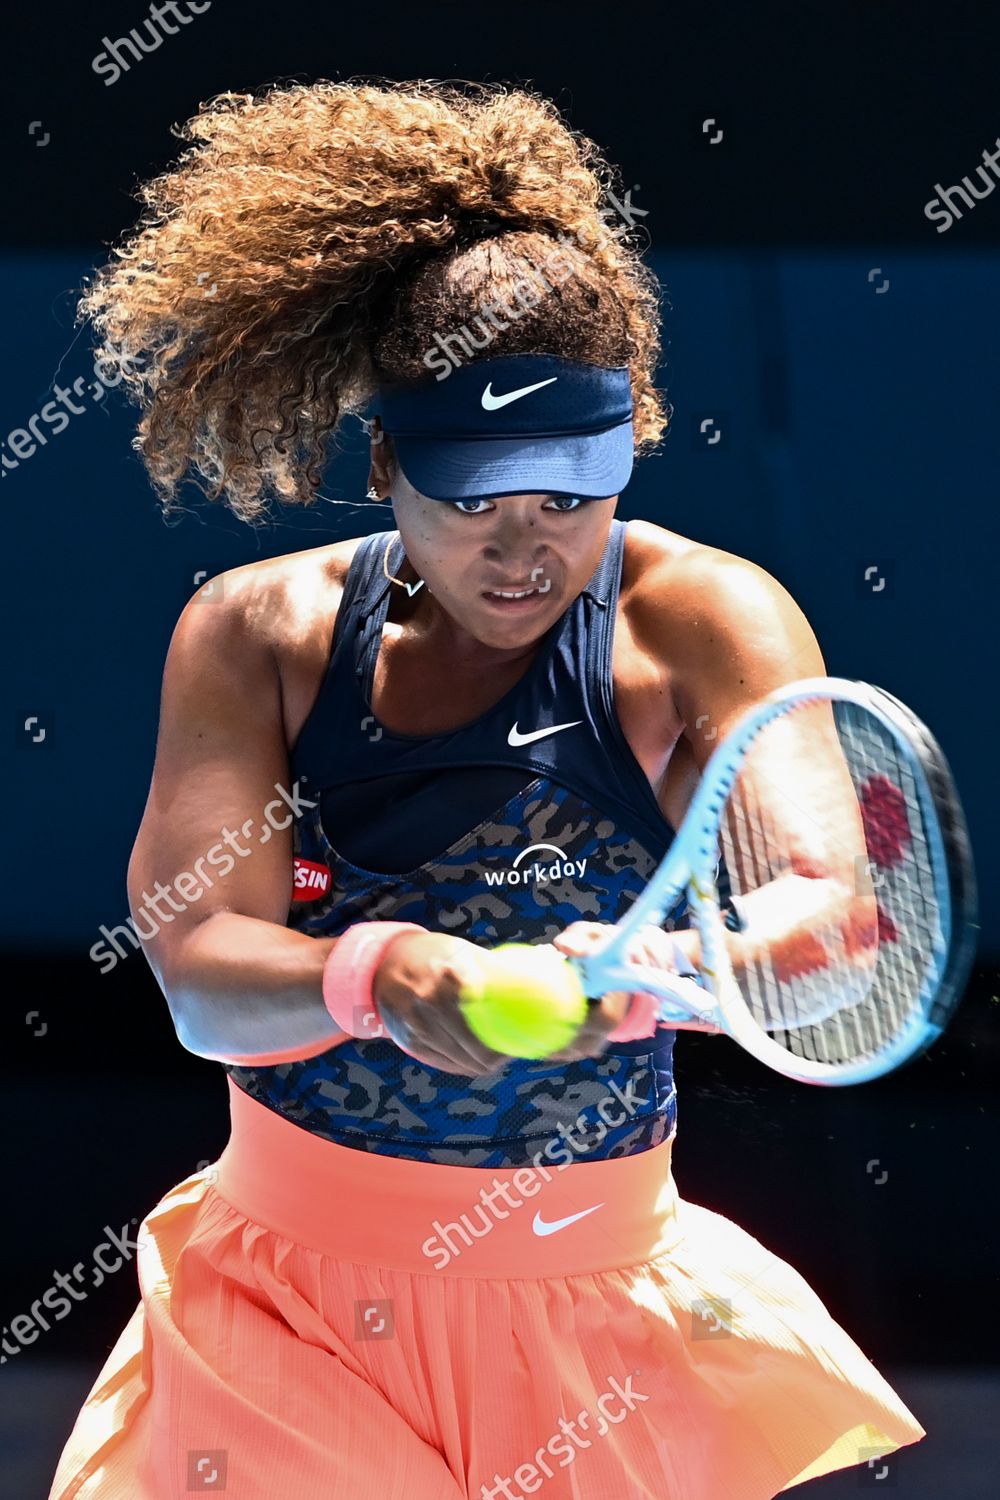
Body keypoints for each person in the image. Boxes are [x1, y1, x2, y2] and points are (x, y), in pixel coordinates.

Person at [51, 80, 924, 1499]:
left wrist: (674, 970)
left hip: (596, 1325)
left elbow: (832, 926)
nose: (524, 554)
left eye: (570, 498)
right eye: (475, 502)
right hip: (280, 1322)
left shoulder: (705, 622)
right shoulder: (253, 633)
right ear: (387, 467)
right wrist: (384, 975)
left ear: (627, 440)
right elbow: (201, 978)